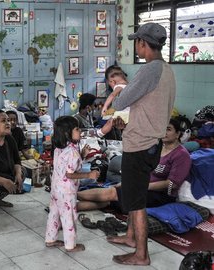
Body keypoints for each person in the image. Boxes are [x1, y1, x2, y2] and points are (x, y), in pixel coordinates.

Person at [108, 22, 176, 266]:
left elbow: (121, 102)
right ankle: (129, 237)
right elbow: (150, 106)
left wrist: (117, 90)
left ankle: (141, 254)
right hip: (151, 142)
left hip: (139, 145)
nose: (135, 44)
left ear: (143, 43)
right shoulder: (166, 70)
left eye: (136, 41)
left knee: (137, 204)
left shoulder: (149, 70)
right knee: (134, 191)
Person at [77, 119, 191, 212]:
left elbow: (171, 184)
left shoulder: (181, 155)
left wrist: (142, 186)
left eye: (169, 129)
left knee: (111, 192)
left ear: (178, 134)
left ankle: (68, 196)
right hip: (142, 187)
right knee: (106, 202)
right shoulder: (158, 146)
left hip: (159, 195)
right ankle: (67, 207)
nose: (164, 132)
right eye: (163, 129)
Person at [45, 116, 99, 252]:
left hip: (56, 189)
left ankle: (50, 239)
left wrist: (83, 154)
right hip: (67, 191)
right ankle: (70, 245)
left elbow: (68, 166)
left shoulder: (59, 148)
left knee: (54, 214)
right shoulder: (72, 152)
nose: (80, 131)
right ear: (66, 133)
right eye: (77, 129)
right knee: (69, 217)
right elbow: (70, 174)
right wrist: (89, 175)